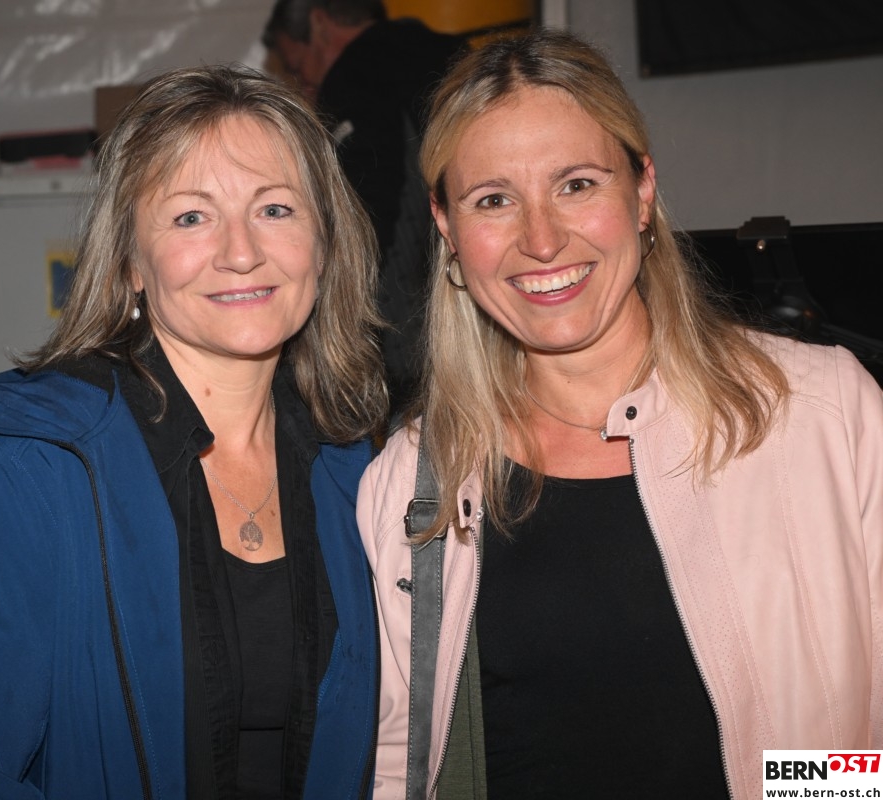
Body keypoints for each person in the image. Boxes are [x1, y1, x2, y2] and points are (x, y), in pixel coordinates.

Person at [358, 29, 883, 800]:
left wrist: (799, 788)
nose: (542, 240)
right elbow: (396, 763)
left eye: (576, 184)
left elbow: (862, 751)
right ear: (447, 229)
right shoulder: (413, 479)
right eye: (494, 200)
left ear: (641, 193)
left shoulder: (820, 414)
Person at [0, 63, 390, 799]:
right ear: (129, 261)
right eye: (191, 216)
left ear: (324, 241)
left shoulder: (360, 471)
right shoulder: (25, 466)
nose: (242, 251)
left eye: (275, 208)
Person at [261, 0, 464, 414]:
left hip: (409, 341)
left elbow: (365, 214)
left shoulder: (356, 76)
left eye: (297, 67)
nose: (305, 85)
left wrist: (348, 329)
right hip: (467, 316)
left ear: (319, 23)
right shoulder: (453, 56)